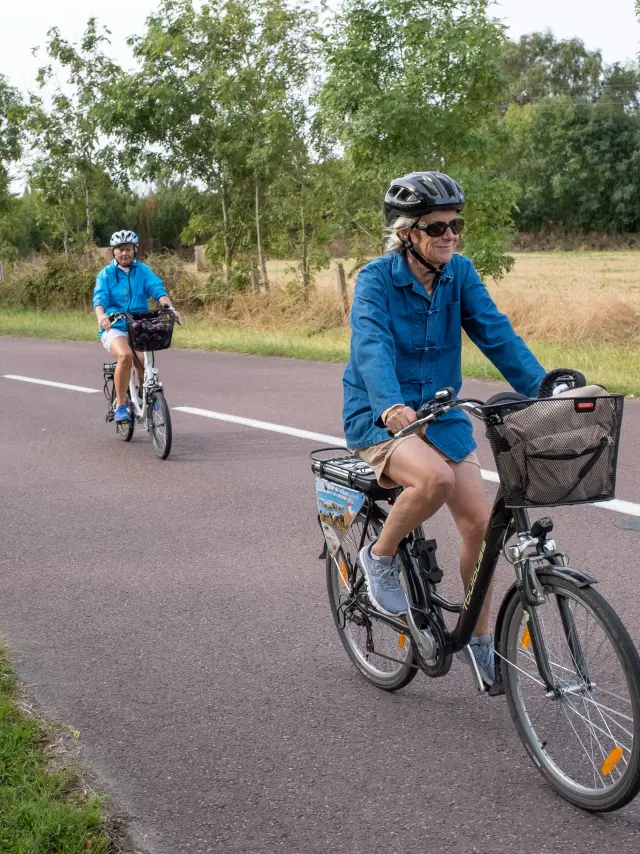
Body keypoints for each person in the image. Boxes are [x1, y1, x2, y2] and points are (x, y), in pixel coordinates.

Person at [342, 171, 546, 684]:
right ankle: (379, 555)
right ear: (406, 233)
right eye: (436, 227)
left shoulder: (460, 273)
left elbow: (496, 333)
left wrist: (543, 388)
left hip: (442, 413)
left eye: (456, 224)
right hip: (380, 415)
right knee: (435, 479)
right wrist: (389, 405)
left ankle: (478, 638)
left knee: (480, 527)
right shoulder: (374, 280)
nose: (450, 235)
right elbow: (372, 346)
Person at [93, 230, 177, 423]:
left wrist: (169, 307)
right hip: (115, 325)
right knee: (125, 355)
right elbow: (100, 297)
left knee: (143, 362)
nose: (125, 253)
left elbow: (157, 289)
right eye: (121, 250)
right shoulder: (105, 274)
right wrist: (101, 315)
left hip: (139, 324)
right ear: (114, 252)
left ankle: (144, 393)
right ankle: (120, 405)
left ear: (135, 250)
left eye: (128, 249)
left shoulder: (143, 271)